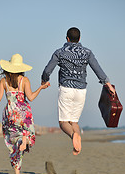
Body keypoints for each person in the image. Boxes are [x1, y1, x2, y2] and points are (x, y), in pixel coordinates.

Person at [0, 53, 50, 174]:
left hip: (10, 114)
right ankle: (24, 140)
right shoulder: (24, 80)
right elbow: (31, 97)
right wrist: (41, 88)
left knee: (13, 146)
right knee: (25, 138)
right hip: (23, 114)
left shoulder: (4, 81)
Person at [41, 27, 115, 155]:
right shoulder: (87, 52)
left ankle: (73, 136)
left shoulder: (60, 52)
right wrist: (108, 84)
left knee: (63, 122)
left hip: (66, 89)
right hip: (81, 90)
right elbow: (97, 69)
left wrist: (44, 80)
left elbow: (48, 70)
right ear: (79, 38)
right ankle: (77, 140)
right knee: (74, 121)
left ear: (67, 38)